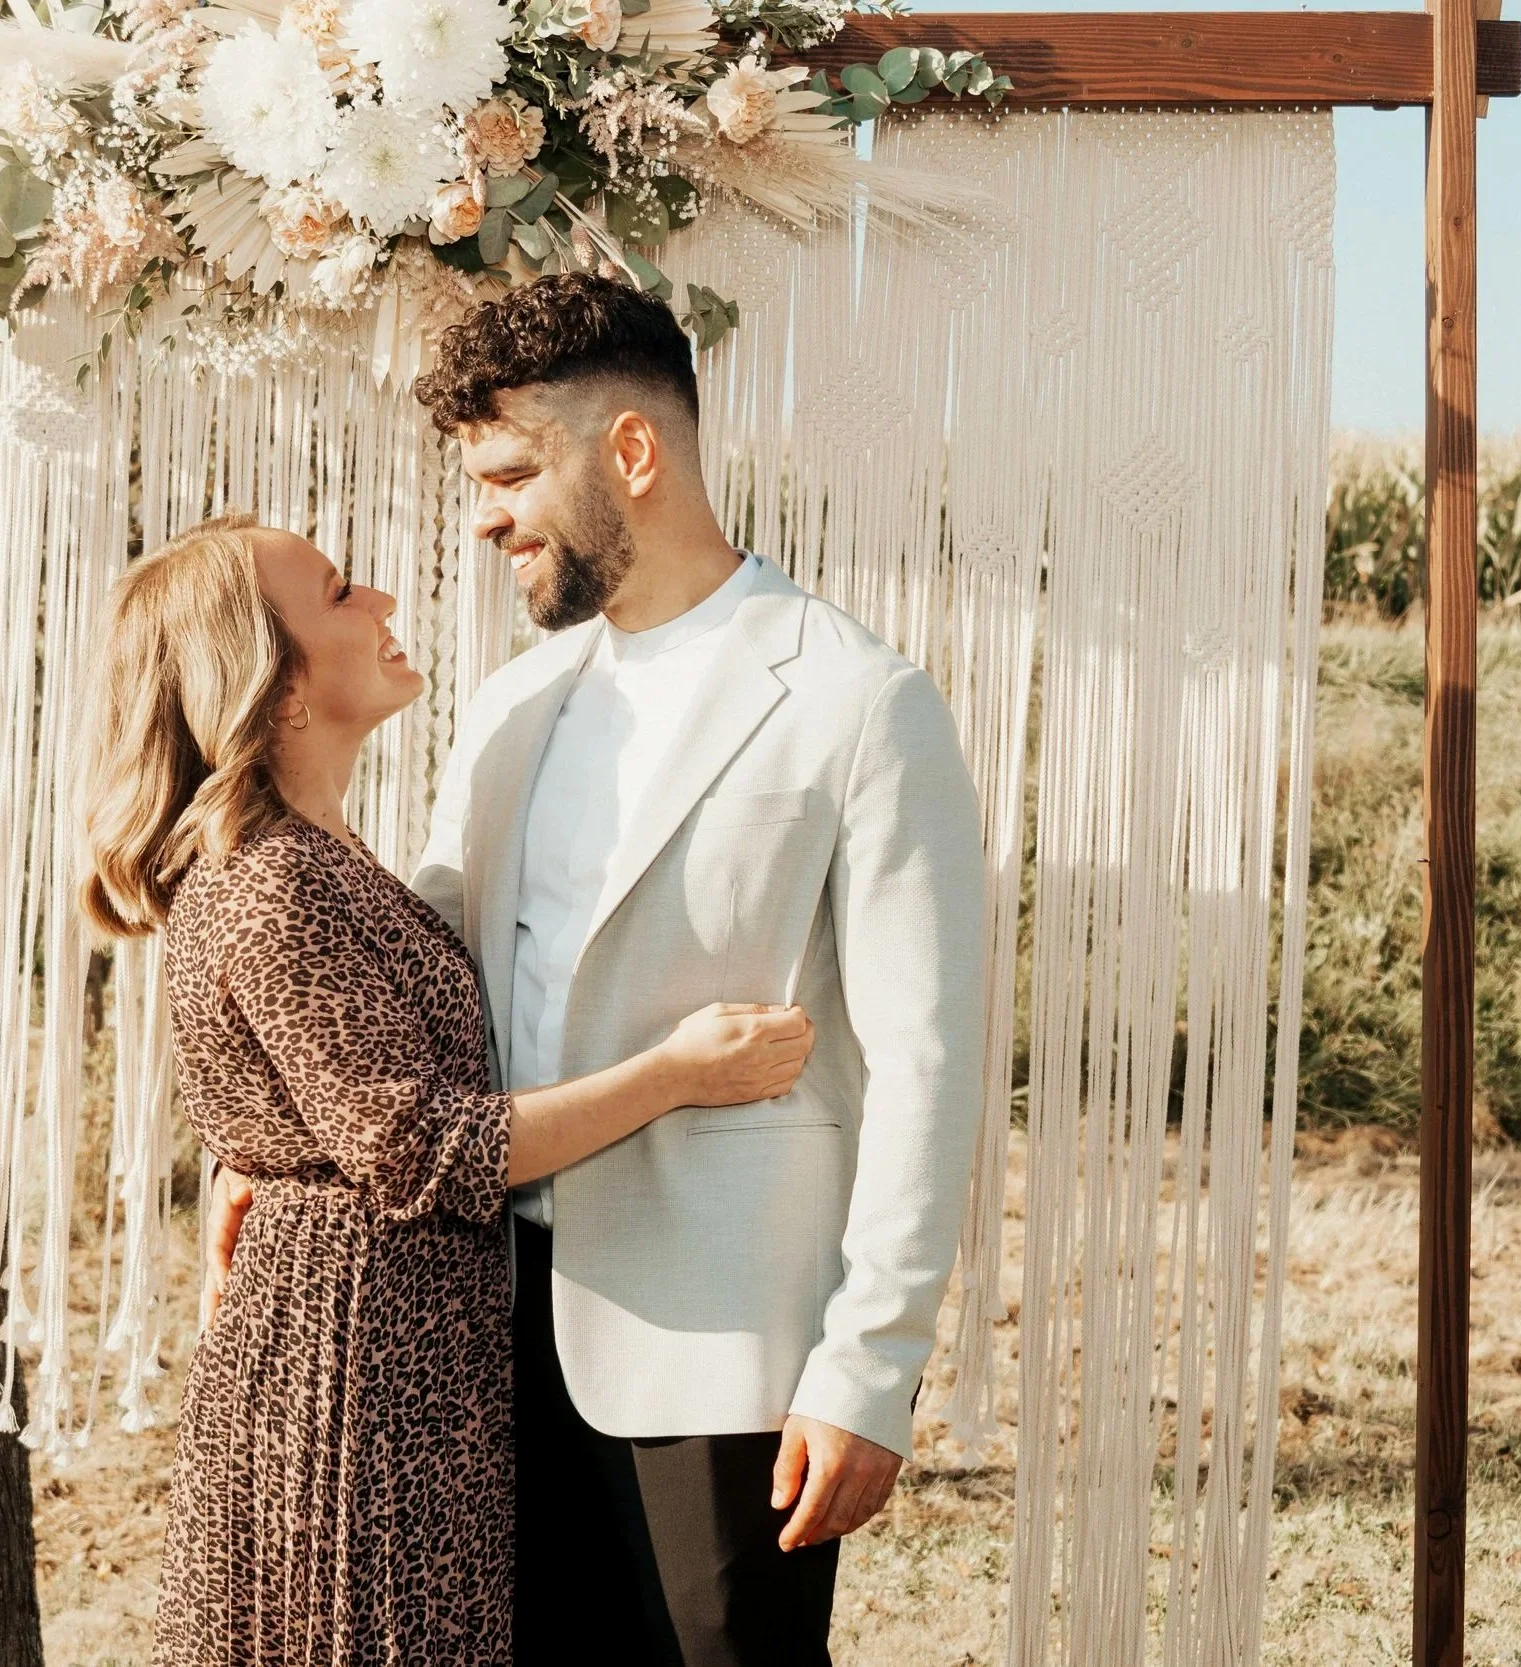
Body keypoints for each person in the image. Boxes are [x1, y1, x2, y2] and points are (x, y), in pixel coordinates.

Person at [211, 271, 990, 1665]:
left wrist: (871, 1364)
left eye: (511, 471)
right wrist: (273, 1148)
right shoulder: (513, 708)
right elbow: (414, 986)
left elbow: (927, 1064)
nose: (485, 512)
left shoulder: (858, 698)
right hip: (476, 1340)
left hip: (726, 1347)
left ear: (632, 452)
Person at [79, 512, 817, 1667]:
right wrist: (678, 1072)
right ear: (275, 688)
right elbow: (421, 1147)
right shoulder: (273, 882)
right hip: (353, 1373)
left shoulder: (326, 857)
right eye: (336, 593)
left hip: (402, 1355)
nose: (376, 599)